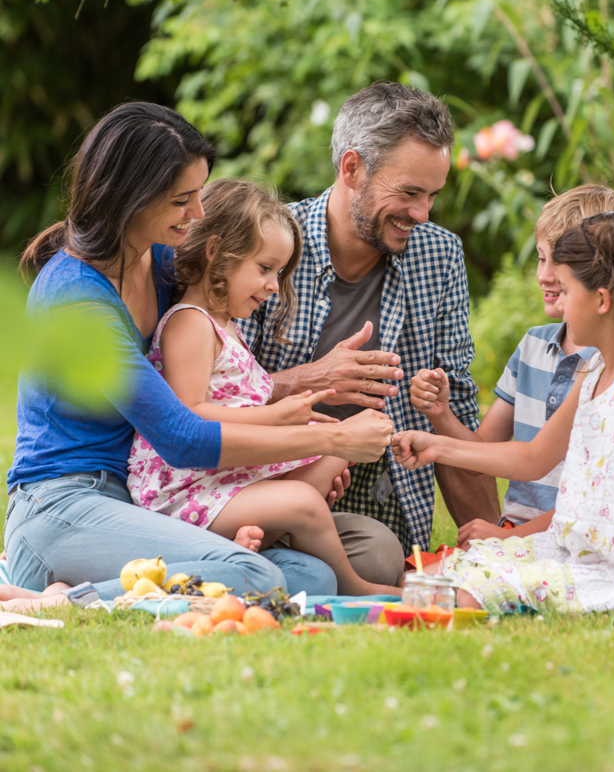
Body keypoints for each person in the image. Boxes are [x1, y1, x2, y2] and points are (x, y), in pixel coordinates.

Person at [2, 102, 393, 613]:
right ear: (130, 198)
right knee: (252, 573)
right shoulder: (77, 296)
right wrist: (332, 437)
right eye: (183, 200)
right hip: (64, 506)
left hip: (133, 500)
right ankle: (48, 601)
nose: (198, 215)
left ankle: (144, 579)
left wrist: (308, 388)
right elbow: (182, 436)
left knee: (309, 574)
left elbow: (217, 385)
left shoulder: (161, 265)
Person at [392, 212, 614, 625]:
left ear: (602, 300)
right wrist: (437, 446)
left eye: (568, 290)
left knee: (450, 600)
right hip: (571, 549)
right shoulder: (595, 371)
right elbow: (533, 457)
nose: (559, 301)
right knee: (427, 579)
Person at [238, 81, 499, 564]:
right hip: (259, 492)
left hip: (380, 505)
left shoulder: (440, 256)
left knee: (378, 558)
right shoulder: (264, 246)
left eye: (433, 196)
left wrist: (492, 549)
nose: (422, 214)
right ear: (352, 169)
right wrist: (311, 380)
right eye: (409, 192)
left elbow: (456, 411)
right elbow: (208, 401)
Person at [127, 178, 401, 596]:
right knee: (305, 501)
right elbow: (188, 415)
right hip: (184, 491)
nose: (274, 286)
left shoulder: (227, 327)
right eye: (264, 269)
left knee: (333, 454)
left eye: (279, 272)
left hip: (221, 479)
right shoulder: (189, 324)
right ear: (216, 252)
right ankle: (355, 586)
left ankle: (249, 543)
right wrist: (275, 416)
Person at [410, 185, 614, 548]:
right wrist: (441, 415)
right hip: (517, 533)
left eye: (560, 264)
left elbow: (594, 500)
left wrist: (511, 540)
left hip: (577, 538)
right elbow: (481, 457)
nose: (545, 276)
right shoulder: (533, 347)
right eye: (541, 258)